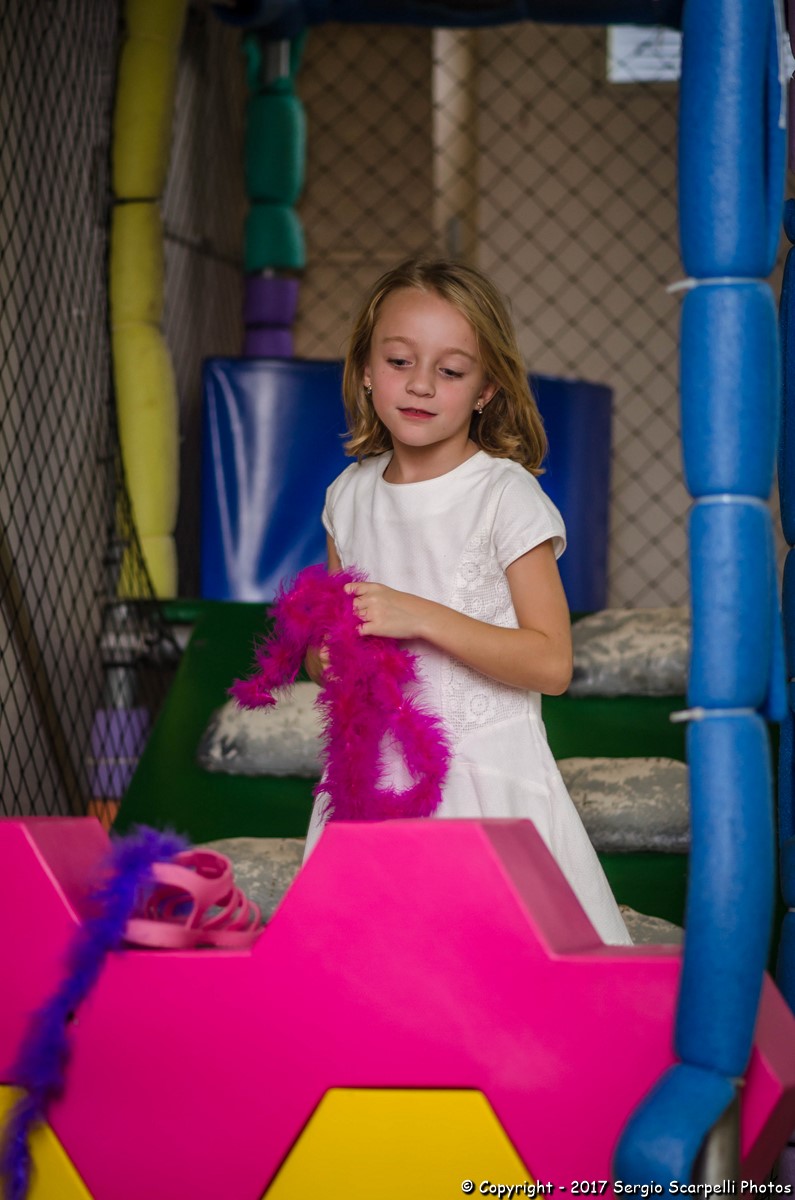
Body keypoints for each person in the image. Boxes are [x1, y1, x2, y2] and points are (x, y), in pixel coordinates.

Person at [305, 257, 630, 946]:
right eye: (399, 361)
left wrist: (421, 616)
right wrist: (325, 658)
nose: (421, 384)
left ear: (486, 389)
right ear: (365, 370)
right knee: (372, 973)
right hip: (374, 780)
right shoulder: (348, 497)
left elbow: (552, 664)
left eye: (450, 371)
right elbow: (330, 645)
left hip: (484, 785)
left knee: (494, 972)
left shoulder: (504, 495)